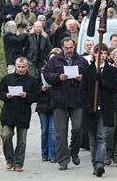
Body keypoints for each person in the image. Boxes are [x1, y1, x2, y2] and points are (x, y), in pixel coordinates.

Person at [43, 37, 89, 170]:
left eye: (71, 47)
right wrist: (58, 77)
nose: (69, 50)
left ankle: (73, 151)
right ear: (62, 47)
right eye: (66, 48)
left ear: (74, 46)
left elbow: (90, 77)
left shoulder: (82, 60)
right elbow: (46, 75)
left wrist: (83, 79)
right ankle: (63, 160)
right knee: (60, 132)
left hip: (77, 100)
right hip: (59, 100)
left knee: (78, 128)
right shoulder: (54, 60)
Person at [80, 43, 117, 177]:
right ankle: (94, 162)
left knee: (101, 137)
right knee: (92, 139)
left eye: (104, 53)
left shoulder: (112, 71)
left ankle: (99, 163)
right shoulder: (87, 70)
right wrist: (88, 106)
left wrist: (102, 81)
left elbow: (114, 88)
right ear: (94, 54)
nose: (101, 56)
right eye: (99, 53)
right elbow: (83, 90)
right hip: (91, 109)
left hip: (105, 108)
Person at [0, 57, 39, 172]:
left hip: (23, 113)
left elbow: (36, 96)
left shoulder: (32, 81)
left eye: (23, 67)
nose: (20, 69)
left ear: (27, 67)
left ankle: (18, 163)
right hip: (8, 112)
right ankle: (9, 160)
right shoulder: (7, 78)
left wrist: (26, 96)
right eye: (19, 67)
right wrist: (6, 96)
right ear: (15, 66)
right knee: (6, 135)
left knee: (22, 141)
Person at [37, 48, 62, 163]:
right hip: (43, 104)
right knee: (44, 130)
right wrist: (41, 89)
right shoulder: (42, 71)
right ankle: (44, 153)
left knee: (53, 130)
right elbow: (34, 87)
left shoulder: (61, 72)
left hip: (56, 103)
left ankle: (53, 154)